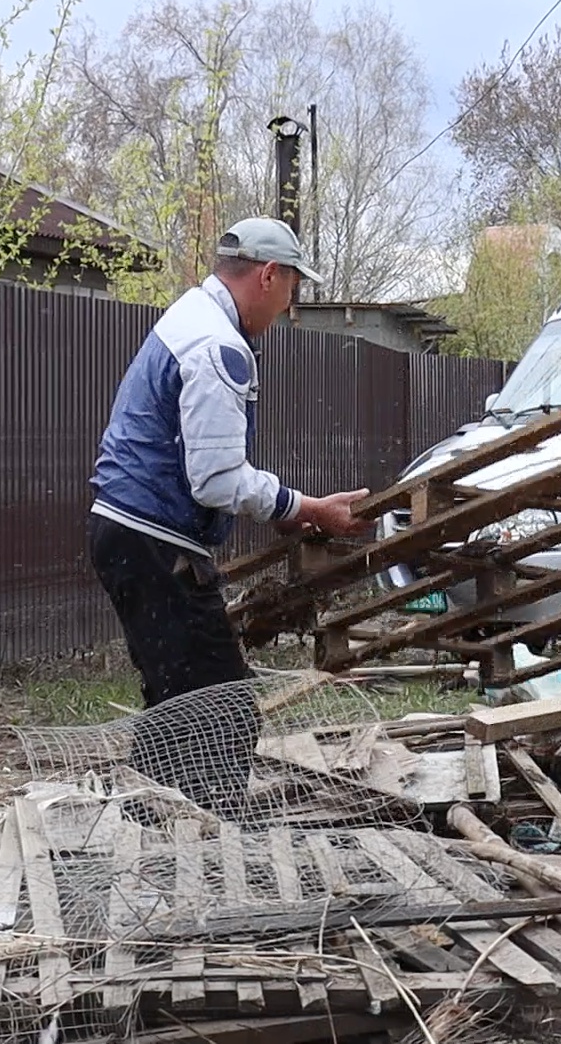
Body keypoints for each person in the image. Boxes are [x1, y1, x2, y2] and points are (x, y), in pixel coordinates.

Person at [87, 217, 369, 806]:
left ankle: (153, 827)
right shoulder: (218, 345)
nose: (290, 305)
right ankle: (206, 846)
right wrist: (306, 505)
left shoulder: (191, 314)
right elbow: (215, 480)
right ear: (269, 275)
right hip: (154, 542)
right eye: (292, 287)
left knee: (177, 700)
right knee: (223, 710)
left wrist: (286, 512)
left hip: (133, 532)